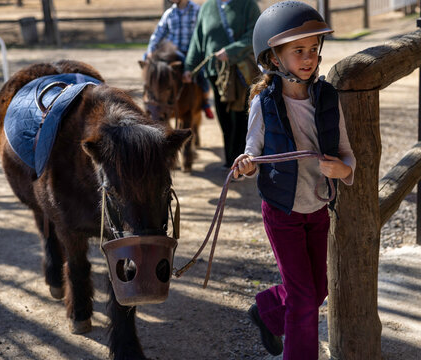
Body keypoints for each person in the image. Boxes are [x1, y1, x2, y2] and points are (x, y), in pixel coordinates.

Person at [231, 2, 356, 358]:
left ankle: (267, 311)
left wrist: (343, 170)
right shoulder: (264, 103)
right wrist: (247, 164)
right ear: (274, 59)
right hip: (282, 211)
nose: (308, 58)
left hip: (318, 208)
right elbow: (252, 151)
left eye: (314, 50)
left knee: (318, 290)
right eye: (298, 51)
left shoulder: (328, 99)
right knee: (303, 300)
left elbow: (348, 156)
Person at [182, 0, 260, 167]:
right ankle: (230, 160)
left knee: (239, 117)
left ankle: (238, 162)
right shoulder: (208, 7)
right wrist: (190, 67)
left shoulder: (248, 5)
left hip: (240, 72)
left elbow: (254, 34)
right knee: (224, 119)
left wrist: (231, 51)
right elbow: (198, 39)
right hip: (215, 73)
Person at [145, 0, 214, 119]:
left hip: (192, 52)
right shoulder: (169, 13)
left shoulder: (197, 10)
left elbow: (204, 32)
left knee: (203, 74)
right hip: (173, 53)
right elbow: (158, 34)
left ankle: (205, 100)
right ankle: (151, 99)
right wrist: (150, 50)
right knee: (152, 69)